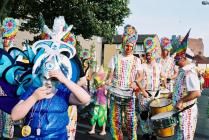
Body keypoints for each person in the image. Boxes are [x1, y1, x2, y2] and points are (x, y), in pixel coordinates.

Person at [10, 16, 91, 139]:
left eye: (53, 75)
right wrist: (34, 97)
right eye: (45, 71)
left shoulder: (63, 92)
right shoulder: (33, 90)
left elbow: (86, 99)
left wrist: (64, 80)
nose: (48, 78)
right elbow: (15, 116)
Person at [106, 25, 143, 140]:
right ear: (123, 45)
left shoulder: (137, 60)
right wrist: (107, 81)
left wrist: (136, 81)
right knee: (114, 122)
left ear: (133, 47)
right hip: (115, 94)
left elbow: (141, 75)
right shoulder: (115, 57)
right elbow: (110, 75)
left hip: (129, 96)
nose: (128, 48)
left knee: (131, 123)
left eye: (131, 46)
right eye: (127, 45)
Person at [172, 30, 201, 140]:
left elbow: (196, 92)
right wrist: (173, 94)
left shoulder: (189, 72)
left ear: (184, 57)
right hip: (181, 113)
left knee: (185, 137)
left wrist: (181, 100)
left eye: (177, 56)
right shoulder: (183, 71)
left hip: (187, 113)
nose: (174, 57)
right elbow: (183, 89)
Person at [137, 37, 165, 140]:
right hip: (145, 94)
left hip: (156, 94)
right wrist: (143, 91)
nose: (148, 56)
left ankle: (153, 134)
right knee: (144, 115)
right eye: (147, 54)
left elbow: (164, 77)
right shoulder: (142, 66)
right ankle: (145, 133)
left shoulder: (159, 65)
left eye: (150, 54)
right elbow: (138, 79)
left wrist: (164, 82)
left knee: (154, 115)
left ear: (154, 54)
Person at [0, 17, 18, 139]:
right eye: (5, 38)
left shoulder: (16, 54)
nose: (6, 40)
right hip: (0, 86)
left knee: (8, 117)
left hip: (11, 88)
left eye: (9, 38)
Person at [88, 66, 107, 136]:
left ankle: (103, 130)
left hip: (103, 102)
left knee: (102, 116)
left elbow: (107, 94)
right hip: (97, 102)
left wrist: (105, 88)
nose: (99, 77)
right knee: (94, 115)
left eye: (101, 76)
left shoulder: (105, 85)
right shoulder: (95, 85)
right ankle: (92, 129)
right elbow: (93, 93)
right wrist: (95, 89)